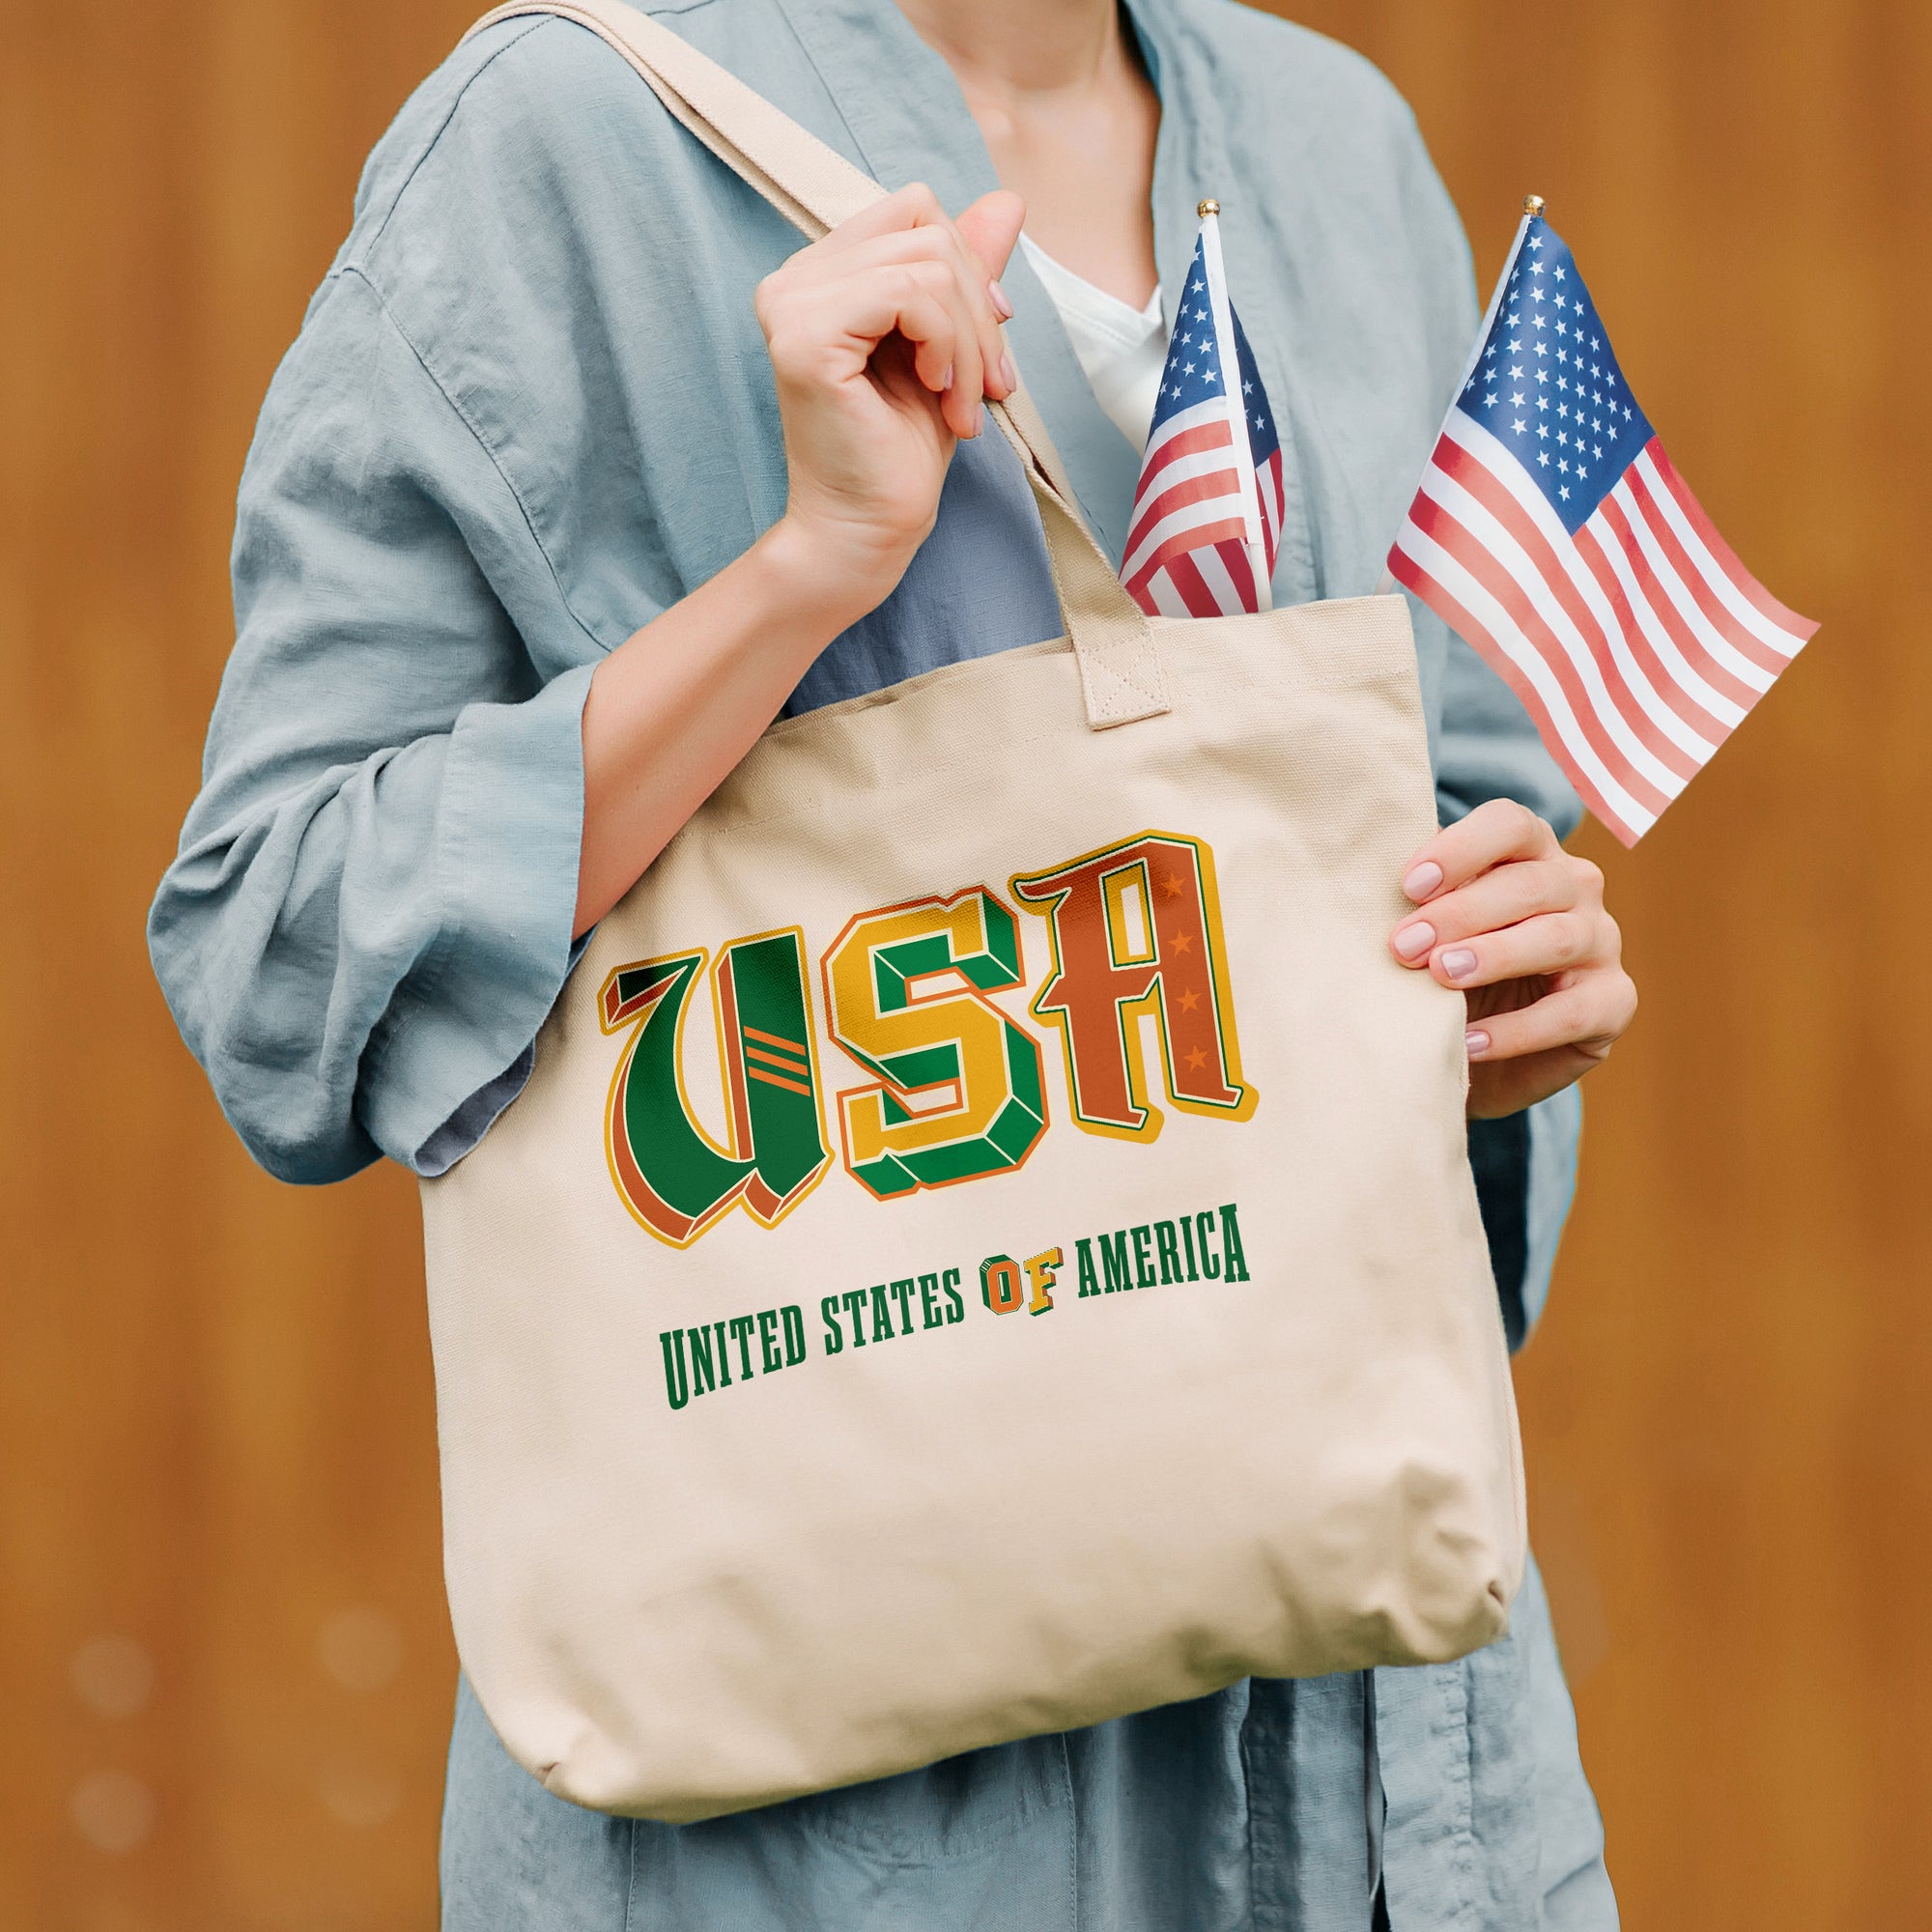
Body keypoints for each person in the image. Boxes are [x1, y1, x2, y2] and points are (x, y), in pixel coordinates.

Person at [150, 0, 1636, 1922]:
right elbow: (279, 954)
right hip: (828, 1828)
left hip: (1403, 1797)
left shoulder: (1334, 141)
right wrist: (805, 576)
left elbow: (1465, 804)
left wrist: (1494, 995)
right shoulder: (557, 142)